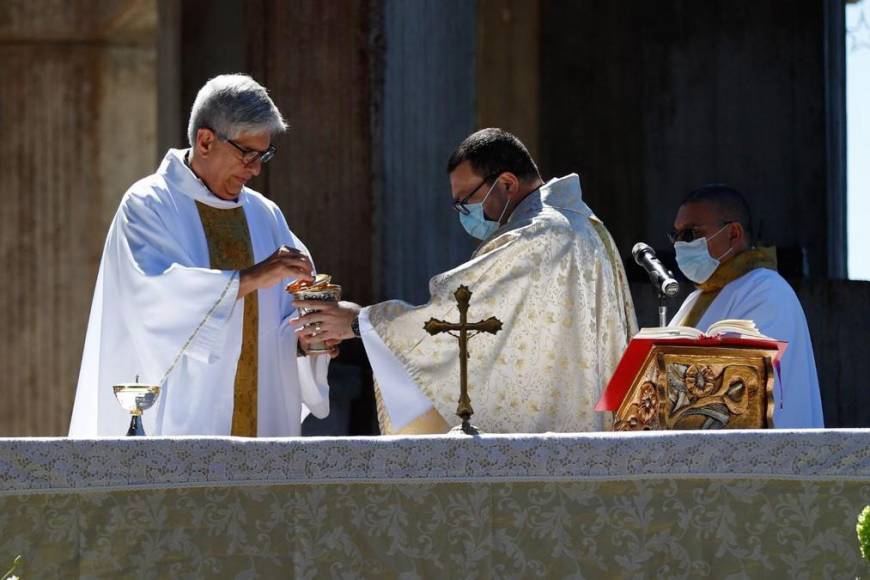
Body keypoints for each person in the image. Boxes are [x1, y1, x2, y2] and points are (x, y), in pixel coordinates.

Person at [294, 128, 637, 434]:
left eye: (466, 202)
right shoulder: (583, 223)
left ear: (506, 184)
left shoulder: (538, 234)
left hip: (544, 436)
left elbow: (459, 314)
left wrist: (361, 322)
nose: (464, 214)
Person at [69, 74, 332, 437]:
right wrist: (251, 278)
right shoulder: (148, 205)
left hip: (264, 427)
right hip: (180, 423)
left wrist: (309, 342)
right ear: (206, 141)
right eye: (248, 154)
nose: (256, 169)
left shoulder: (266, 216)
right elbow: (155, 299)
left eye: (264, 155)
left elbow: (286, 323)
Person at [668, 184, 824, 428]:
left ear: (733, 233)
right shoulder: (694, 300)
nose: (680, 245)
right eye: (675, 235)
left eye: (691, 234)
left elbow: (740, 384)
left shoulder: (766, 290)